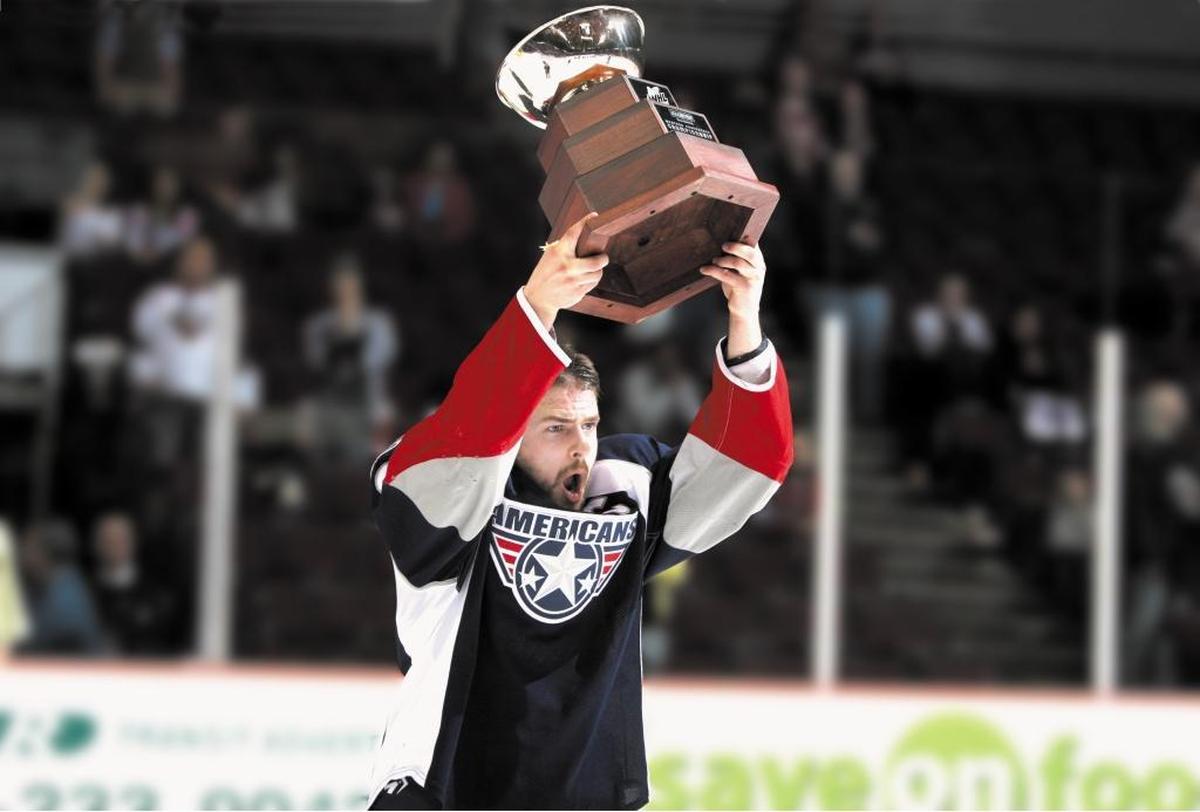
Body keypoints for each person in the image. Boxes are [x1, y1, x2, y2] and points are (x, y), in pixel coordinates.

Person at [365, 213, 794, 809]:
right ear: (514, 431)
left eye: (590, 425)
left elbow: (747, 465)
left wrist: (745, 319)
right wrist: (537, 305)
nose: (580, 446)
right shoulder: (451, 490)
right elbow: (471, 437)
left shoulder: (627, 488)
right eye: (556, 426)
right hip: (443, 792)